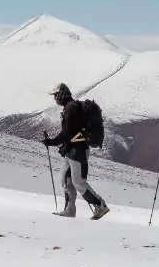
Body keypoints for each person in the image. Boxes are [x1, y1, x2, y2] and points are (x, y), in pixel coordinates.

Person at [42, 82, 109, 220]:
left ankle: (100, 205)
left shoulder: (71, 108)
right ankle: (69, 210)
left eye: (55, 95)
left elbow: (67, 132)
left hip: (78, 151)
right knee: (66, 181)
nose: (55, 98)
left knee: (78, 181)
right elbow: (71, 133)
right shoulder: (71, 106)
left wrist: (52, 142)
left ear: (61, 94)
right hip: (72, 150)